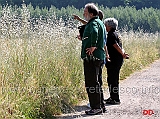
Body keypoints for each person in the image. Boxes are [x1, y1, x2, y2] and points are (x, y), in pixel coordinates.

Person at [73, 9, 108, 113]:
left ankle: (96, 108)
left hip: (91, 58)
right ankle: (101, 106)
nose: (84, 14)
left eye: (85, 12)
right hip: (99, 57)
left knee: (91, 83)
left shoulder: (93, 23)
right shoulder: (99, 22)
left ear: (91, 14)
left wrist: (93, 45)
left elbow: (94, 32)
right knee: (97, 83)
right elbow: (93, 31)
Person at [104, 18, 129, 105]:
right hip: (117, 60)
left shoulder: (111, 35)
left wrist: (122, 54)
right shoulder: (116, 34)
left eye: (105, 25)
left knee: (113, 79)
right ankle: (112, 97)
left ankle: (115, 99)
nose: (105, 26)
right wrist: (123, 53)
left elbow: (116, 45)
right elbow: (120, 46)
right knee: (112, 79)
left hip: (114, 60)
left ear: (109, 26)